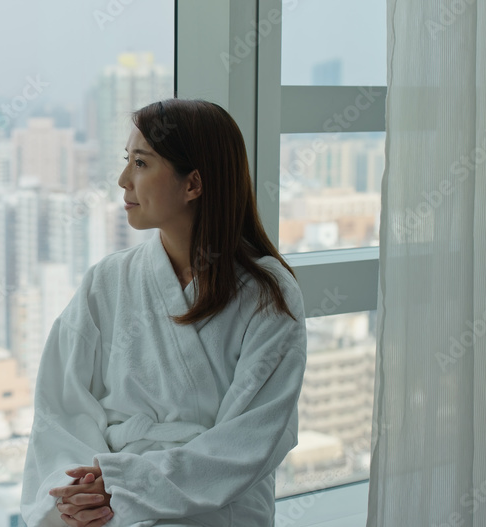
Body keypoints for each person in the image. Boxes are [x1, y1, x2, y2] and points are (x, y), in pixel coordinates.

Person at [20, 98, 307, 527]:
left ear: (193, 184)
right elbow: (60, 411)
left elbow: (252, 438)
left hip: (216, 507)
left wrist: (125, 486)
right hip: (105, 507)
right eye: (127, 162)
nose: (122, 181)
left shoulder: (270, 294)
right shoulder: (107, 281)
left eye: (140, 164)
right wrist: (81, 494)